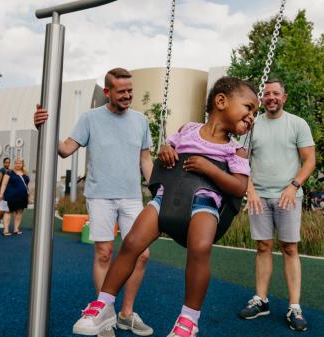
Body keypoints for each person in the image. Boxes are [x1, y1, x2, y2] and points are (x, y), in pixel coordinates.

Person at [71, 76, 258, 337]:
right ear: (221, 101)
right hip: (166, 197)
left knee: (201, 247)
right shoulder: (189, 129)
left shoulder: (235, 151)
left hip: (204, 204)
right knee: (132, 242)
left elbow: (239, 187)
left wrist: (209, 168)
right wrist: (167, 149)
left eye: (255, 113)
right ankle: (104, 304)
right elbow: (169, 148)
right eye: (249, 107)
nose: (252, 117)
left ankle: (188, 320)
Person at [34, 67, 154, 337]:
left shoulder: (140, 120)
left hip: (132, 196)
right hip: (100, 195)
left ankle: (126, 314)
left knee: (142, 254)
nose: (127, 96)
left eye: (130, 91)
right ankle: (103, 316)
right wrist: (44, 127)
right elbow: (65, 150)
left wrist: (158, 189)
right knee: (104, 253)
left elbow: (145, 159)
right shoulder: (90, 118)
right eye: (121, 92)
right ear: (107, 92)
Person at [239, 79, 316, 332]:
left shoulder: (297, 124)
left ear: (284, 97)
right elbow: (241, 162)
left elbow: (309, 161)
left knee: (290, 248)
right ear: (261, 98)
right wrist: (249, 191)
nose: (271, 97)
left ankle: (295, 307)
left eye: (276, 93)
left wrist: (294, 186)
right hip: (258, 196)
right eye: (267, 94)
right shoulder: (252, 126)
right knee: (263, 246)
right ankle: (261, 300)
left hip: (288, 196)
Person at [0, 159, 29, 236]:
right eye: (16, 163)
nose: (18, 164)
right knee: (8, 212)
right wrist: (1, 194)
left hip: (22, 196)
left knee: (19, 213)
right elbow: (4, 184)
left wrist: (29, 195)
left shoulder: (25, 174)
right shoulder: (9, 172)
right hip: (10, 196)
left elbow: (26, 186)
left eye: (20, 163)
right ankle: (5, 230)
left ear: (23, 164)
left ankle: (16, 229)